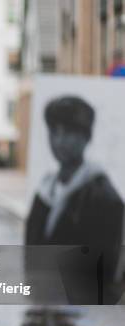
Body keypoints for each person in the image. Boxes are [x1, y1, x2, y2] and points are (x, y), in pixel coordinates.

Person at [25, 96, 124, 303]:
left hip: (80, 317)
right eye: (54, 132)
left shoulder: (104, 197)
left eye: (68, 133)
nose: (59, 141)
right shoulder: (44, 191)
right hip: (44, 310)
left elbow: (103, 274)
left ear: (86, 137)